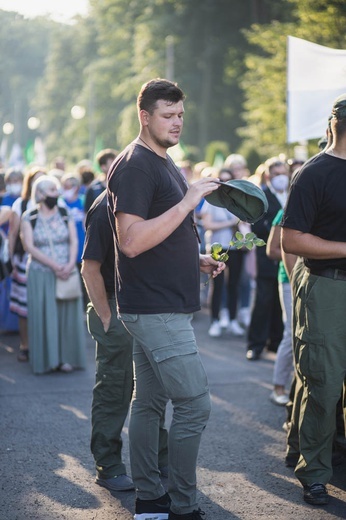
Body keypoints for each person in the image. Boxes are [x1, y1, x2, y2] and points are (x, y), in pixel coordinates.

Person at [107, 78, 225, 520]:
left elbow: (160, 235)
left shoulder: (162, 161)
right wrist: (190, 199)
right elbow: (132, 242)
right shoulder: (136, 165)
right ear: (144, 116)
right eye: (167, 116)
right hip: (154, 310)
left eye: (180, 115)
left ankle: (151, 500)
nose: (177, 123)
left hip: (160, 302)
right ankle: (183, 505)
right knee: (195, 404)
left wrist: (195, 260)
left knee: (149, 404)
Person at [281, 93, 346, 506]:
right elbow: (290, 239)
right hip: (327, 286)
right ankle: (314, 471)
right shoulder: (314, 173)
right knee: (321, 380)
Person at [81, 190, 168, 493]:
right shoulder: (105, 207)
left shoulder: (144, 199)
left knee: (153, 388)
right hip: (116, 307)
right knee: (115, 389)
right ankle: (108, 465)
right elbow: (89, 267)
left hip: (147, 305)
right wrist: (106, 317)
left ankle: (158, 456)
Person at [21, 176, 86, 375]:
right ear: (39, 194)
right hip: (41, 274)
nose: (56, 193)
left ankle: (66, 359)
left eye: (56, 189)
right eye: (51, 189)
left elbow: (74, 240)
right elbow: (29, 247)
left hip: (66, 272)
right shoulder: (29, 216)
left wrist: (69, 265)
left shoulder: (65, 213)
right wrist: (54, 265)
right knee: (44, 316)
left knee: (66, 316)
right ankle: (47, 360)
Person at [245, 156, 288, 360]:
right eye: (277, 174)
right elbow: (256, 224)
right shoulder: (262, 196)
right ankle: (256, 344)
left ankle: (276, 342)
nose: (281, 178)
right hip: (266, 256)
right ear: (269, 175)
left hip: (287, 258)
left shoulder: (291, 194)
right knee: (263, 301)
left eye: (283, 174)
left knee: (281, 303)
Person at [201, 167, 248, 337]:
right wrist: (230, 223)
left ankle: (233, 320)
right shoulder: (211, 201)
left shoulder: (237, 201)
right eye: (223, 179)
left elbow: (245, 223)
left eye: (229, 180)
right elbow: (208, 225)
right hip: (216, 247)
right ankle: (215, 320)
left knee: (234, 285)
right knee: (217, 285)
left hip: (235, 248)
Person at [8, 166, 47, 361]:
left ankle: (44, 345)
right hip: (23, 260)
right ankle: (25, 345)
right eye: (36, 181)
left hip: (48, 262)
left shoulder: (54, 204)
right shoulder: (21, 204)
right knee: (24, 306)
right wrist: (10, 260)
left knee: (45, 304)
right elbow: (13, 233)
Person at [266, 208, 297, 405]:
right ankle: (278, 387)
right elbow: (272, 250)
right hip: (289, 279)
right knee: (291, 331)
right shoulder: (285, 211)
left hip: (315, 280)